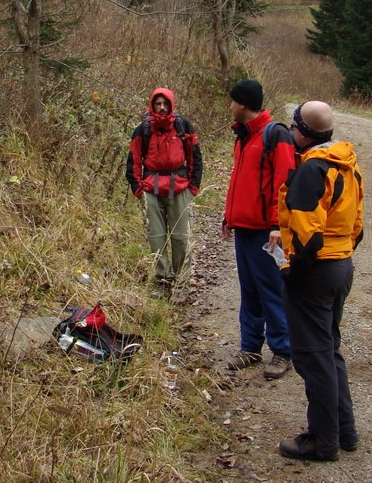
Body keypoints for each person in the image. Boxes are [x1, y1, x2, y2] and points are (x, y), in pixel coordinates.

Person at [276, 100, 364, 461]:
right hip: (341, 265)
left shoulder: (312, 169)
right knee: (328, 351)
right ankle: (344, 432)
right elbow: (357, 225)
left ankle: (321, 441)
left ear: (301, 131)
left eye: (293, 126)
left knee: (313, 357)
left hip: (315, 272)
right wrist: (338, 253)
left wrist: (294, 271)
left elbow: (308, 234)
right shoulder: (347, 164)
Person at [221, 79, 295, 380]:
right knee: (249, 289)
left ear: (242, 104)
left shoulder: (275, 135)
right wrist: (229, 216)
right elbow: (239, 180)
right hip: (244, 228)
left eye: (232, 101)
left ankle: (283, 351)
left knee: (271, 291)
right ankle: (250, 346)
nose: (229, 106)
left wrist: (278, 225)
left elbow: (285, 182)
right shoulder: (243, 137)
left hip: (267, 231)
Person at [126, 88, 203, 299]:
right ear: (152, 105)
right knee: (156, 238)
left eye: (165, 104)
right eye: (158, 103)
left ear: (171, 105)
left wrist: (192, 187)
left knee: (181, 238)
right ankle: (162, 281)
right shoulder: (143, 129)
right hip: (151, 189)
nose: (162, 107)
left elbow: (195, 157)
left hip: (179, 189)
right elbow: (133, 159)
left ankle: (181, 285)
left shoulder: (183, 126)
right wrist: (138, 189)